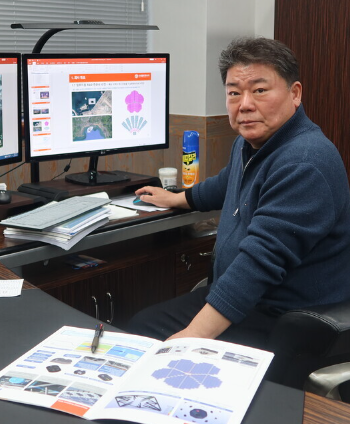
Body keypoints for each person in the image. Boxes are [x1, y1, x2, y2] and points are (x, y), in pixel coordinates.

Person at [128, 37, 350, 351]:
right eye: (234, 92)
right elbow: (227, 182)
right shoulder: (251, 144)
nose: (244, 104)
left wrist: (194, 336)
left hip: (283, 316)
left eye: (259, 90)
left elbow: (259, 263)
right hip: (246, 299)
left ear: (295, 93)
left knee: (152, 342)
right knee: (140, 328)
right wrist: (178, 198)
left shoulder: (304, 162)